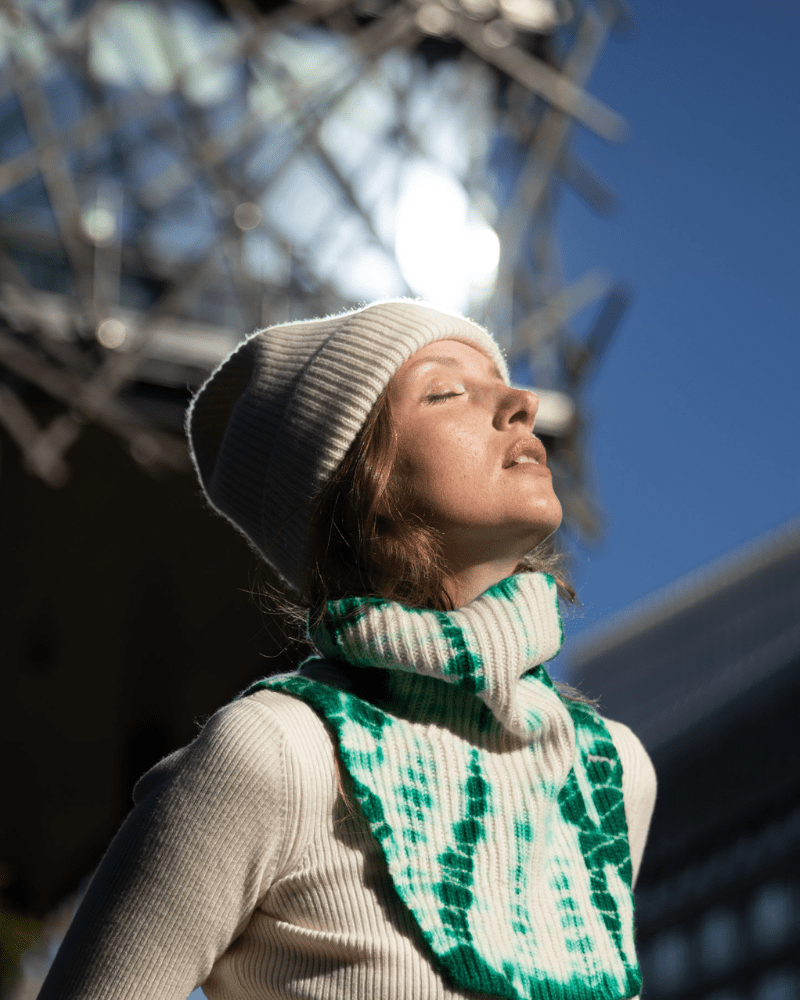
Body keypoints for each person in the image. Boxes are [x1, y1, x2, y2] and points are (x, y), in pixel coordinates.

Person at [39, 299, 657, 1000]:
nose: (520, 402)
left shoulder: (610, 773)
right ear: (361, 491)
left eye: (503, 381)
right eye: (446, 391)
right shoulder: (276, 754)